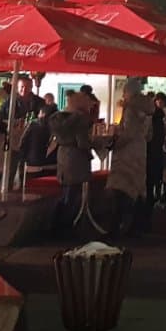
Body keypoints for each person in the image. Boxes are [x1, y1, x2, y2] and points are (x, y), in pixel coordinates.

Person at [106, 79, 155, 237]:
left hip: (127, 153)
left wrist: (115, 144)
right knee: (137, 188)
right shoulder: (148, 108)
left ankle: (117, 227)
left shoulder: (131, 108)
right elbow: (149, 135)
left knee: (121, 188)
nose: (123, 95)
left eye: (124, 92)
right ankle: (138, 225)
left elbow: (128, 133)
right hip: (141, 151)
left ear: (129, 92)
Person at [49, 93, 95, 233]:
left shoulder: (57, 118)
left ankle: (58, 225)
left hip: (63, 155)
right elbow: (82, 142)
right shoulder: (80, 119)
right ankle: (65, 226)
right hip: (76, 157)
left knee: (66, 192)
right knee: (72, 194)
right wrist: (92, 146)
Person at [145, 92, 166, 223]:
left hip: (157, 151)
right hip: (160, 150)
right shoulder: (160, 116)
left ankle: (159, 195)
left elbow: (152, 137)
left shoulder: (158, 116)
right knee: (160, 172)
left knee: (160, 172)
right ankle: (158, 194)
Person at [18, 103, 58, 179]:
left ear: (43, 114)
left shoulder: (33, 126)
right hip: (53, 166)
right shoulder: (58, 128)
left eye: (39, 113)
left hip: (33, 167)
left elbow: (23, 144)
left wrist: (22, 161)